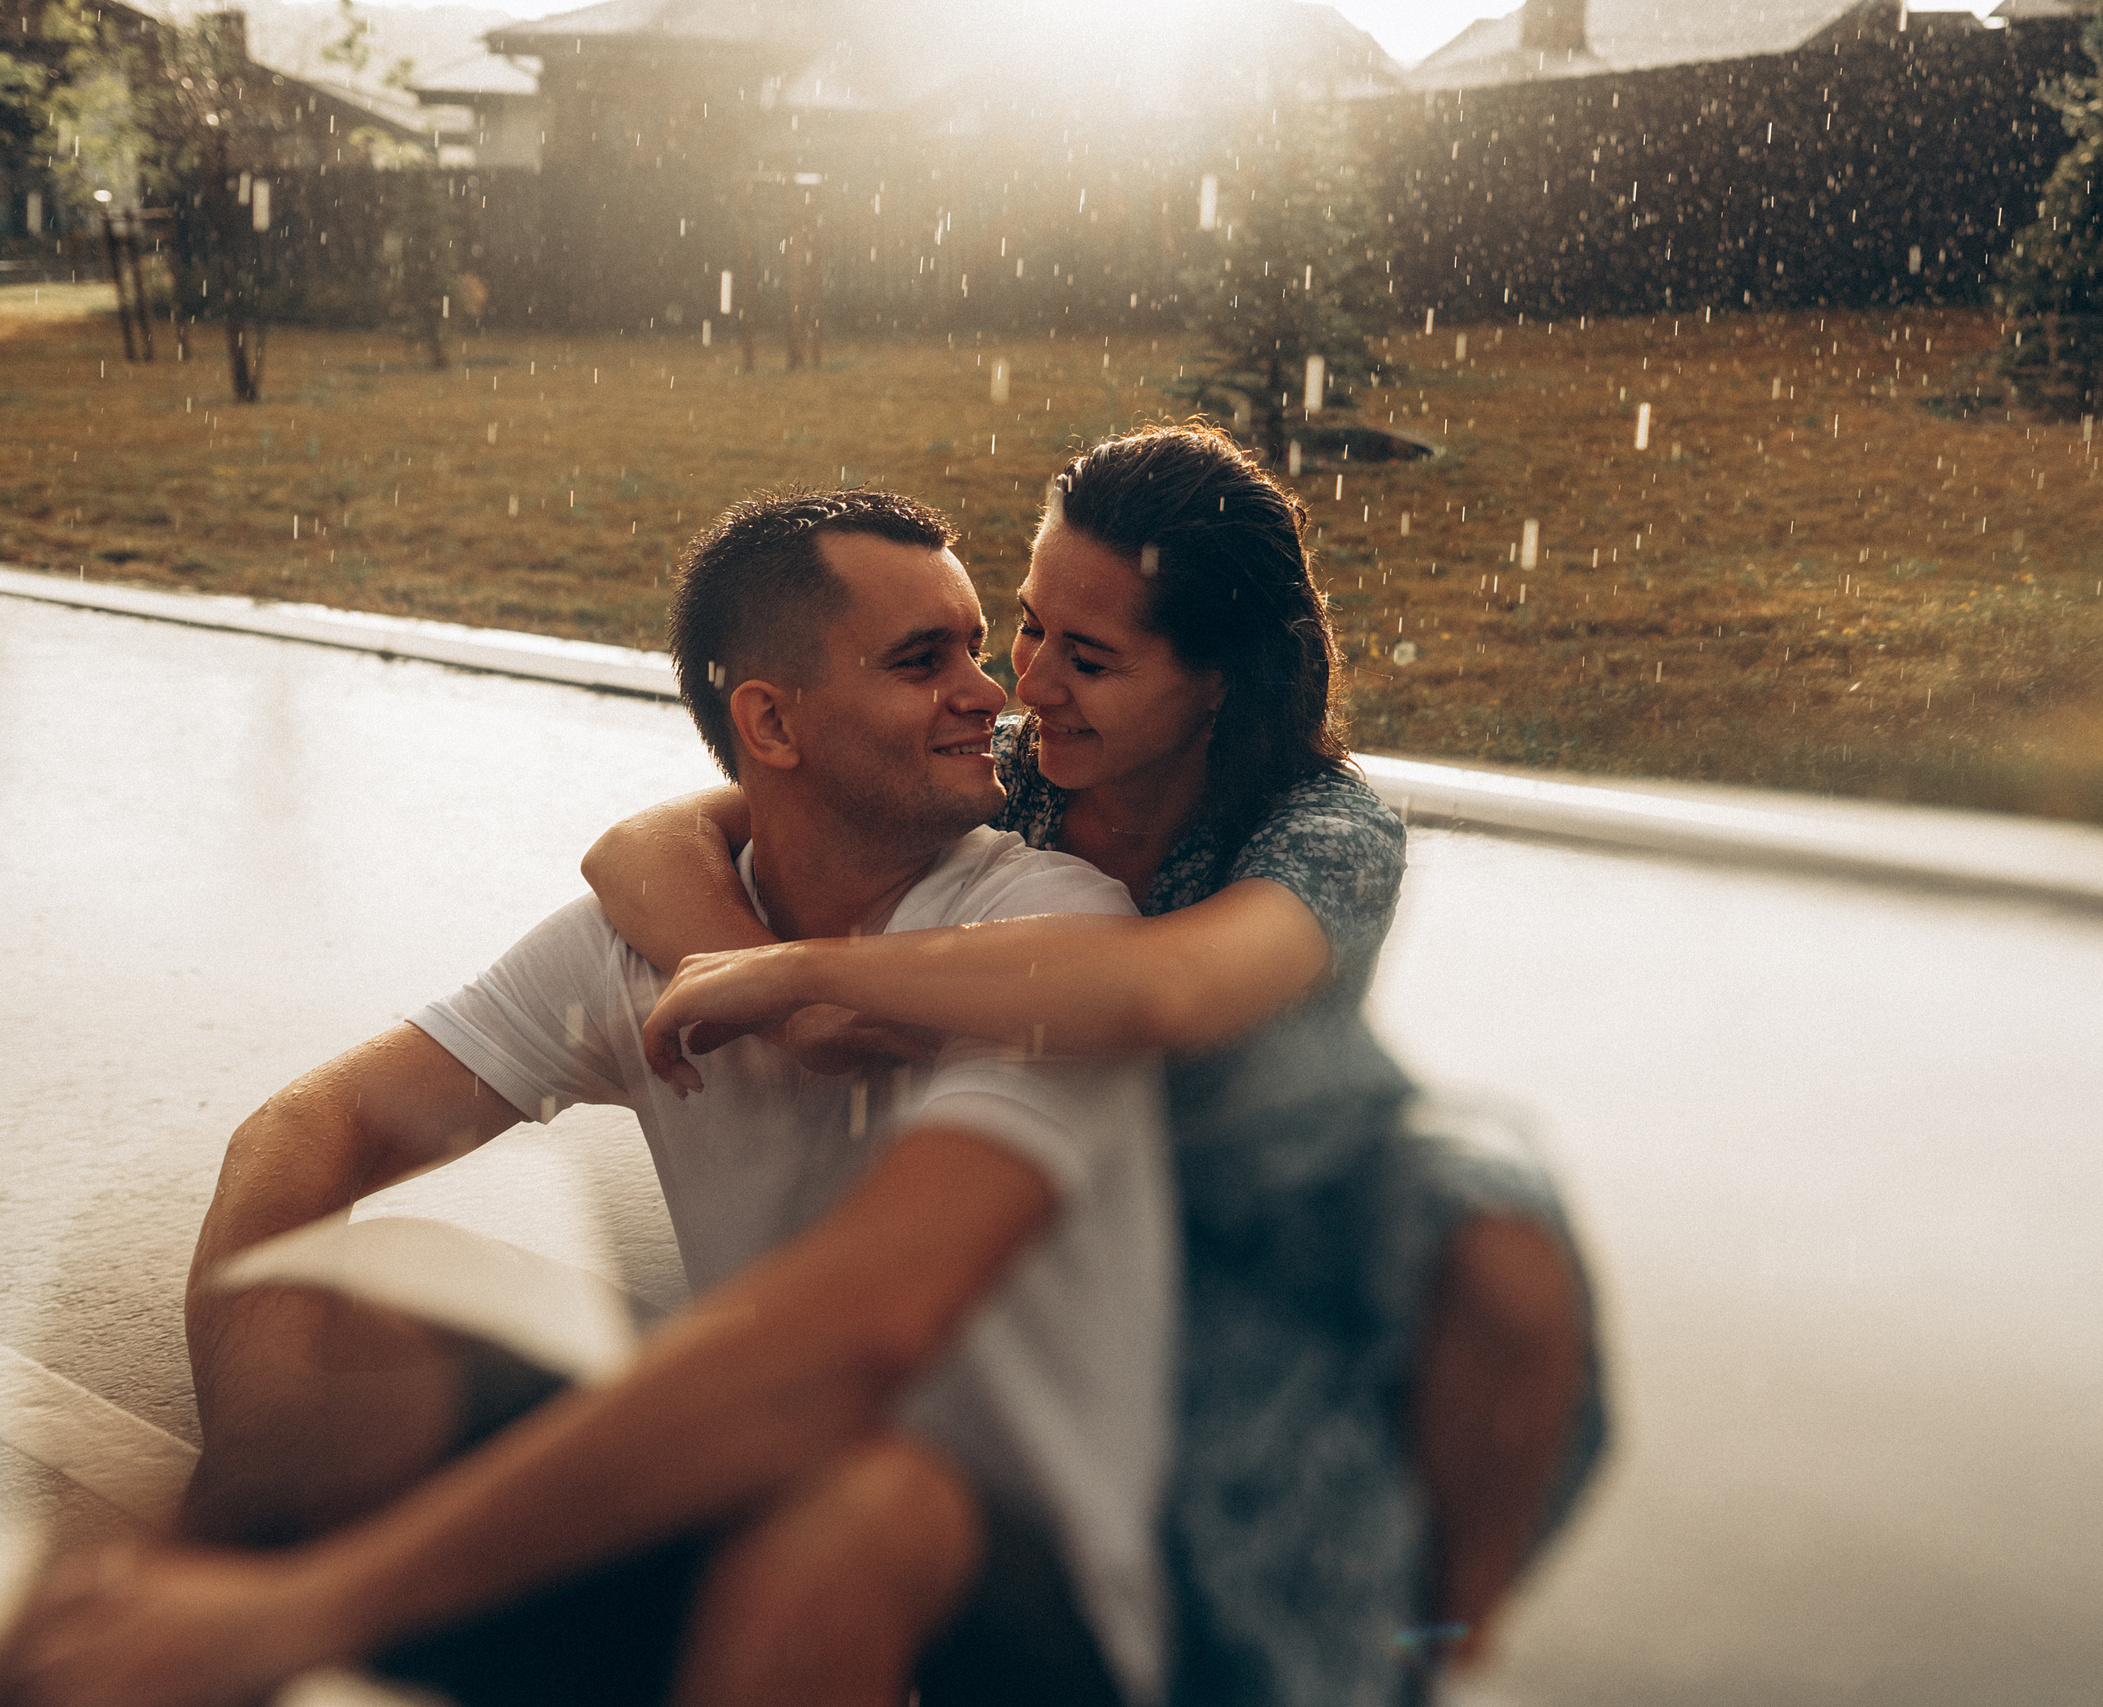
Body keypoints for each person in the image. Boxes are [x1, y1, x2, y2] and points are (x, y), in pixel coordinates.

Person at [0, 490, 1175, 1707]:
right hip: (771, 1489)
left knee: (858, 1506)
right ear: (770, 722)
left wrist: (293, 1611)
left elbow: (852, 1338)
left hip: (1032, 1605)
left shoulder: (1048, 932)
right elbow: (310, 1129)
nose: (990, 692)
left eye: (975, 648)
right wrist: (257, 1472)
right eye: (924, 660)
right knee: (356, 1321)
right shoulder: (646, 939)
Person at [585, 424, 1605, 1707]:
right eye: (1030, 628)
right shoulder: (1015, 779)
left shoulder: (1326, 833)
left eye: (1091, 658)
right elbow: (639, 848)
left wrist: (809, 976)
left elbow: (1166, 991)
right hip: (1057, 1171)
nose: (1029, 683)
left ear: (1217, 680)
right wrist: (767, 992)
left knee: (1495, 1239)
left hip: (1270, 1193)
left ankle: (1447, 1629)